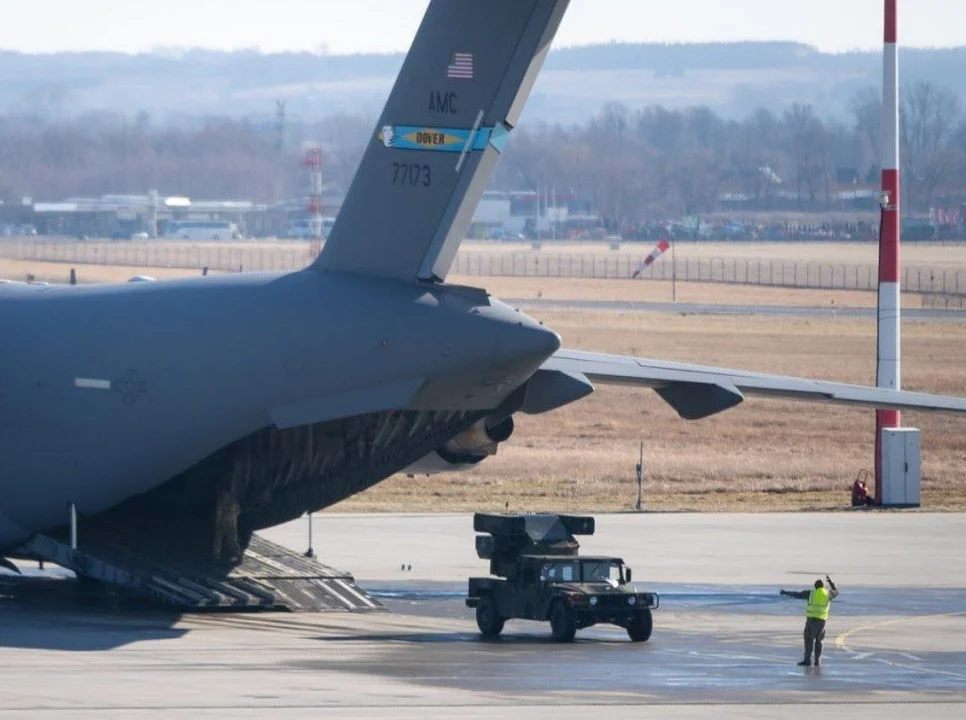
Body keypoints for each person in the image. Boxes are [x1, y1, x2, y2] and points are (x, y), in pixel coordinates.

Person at [780, 575, 839, 667]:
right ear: (823, 586)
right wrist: (831, 583)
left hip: (811, 622)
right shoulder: (828, 594)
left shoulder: (811, 593)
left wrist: (785, 592)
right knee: (819, 641)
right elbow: (836, 592)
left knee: (808, 641)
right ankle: (817, 661)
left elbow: (797, 594)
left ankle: (807, 660)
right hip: (822, 622)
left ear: (815, 587)